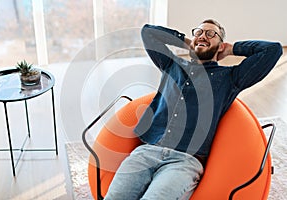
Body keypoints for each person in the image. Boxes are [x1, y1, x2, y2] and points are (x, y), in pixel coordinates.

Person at [104, 19, 282, 200]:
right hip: (147, 151)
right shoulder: (172, 65)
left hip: (184, 161)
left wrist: (231, 49)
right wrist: (188, 42)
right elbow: (147, 32)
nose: (203, 35)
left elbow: (272, 50)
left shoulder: (229, 78)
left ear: (220, 45)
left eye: (211, 34)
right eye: (199, 32)